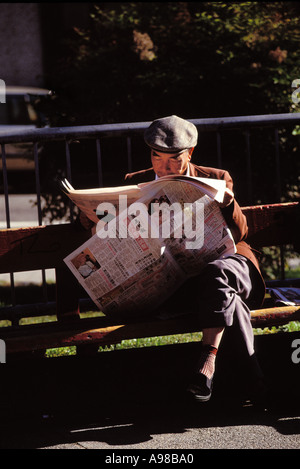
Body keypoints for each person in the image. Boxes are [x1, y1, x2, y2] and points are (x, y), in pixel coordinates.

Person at [124, 115, 266, 402]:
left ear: (189, 153)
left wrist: (229, 203)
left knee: (218, 273)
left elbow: (240, 233)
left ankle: (208, 357)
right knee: (226, 299)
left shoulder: (215, 178)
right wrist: (89, 216)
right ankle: (253, 385)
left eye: (174, 159)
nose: (164, 166)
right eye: (157, 156)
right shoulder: (134, 183)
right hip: (184, 283)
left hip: (230, 265)